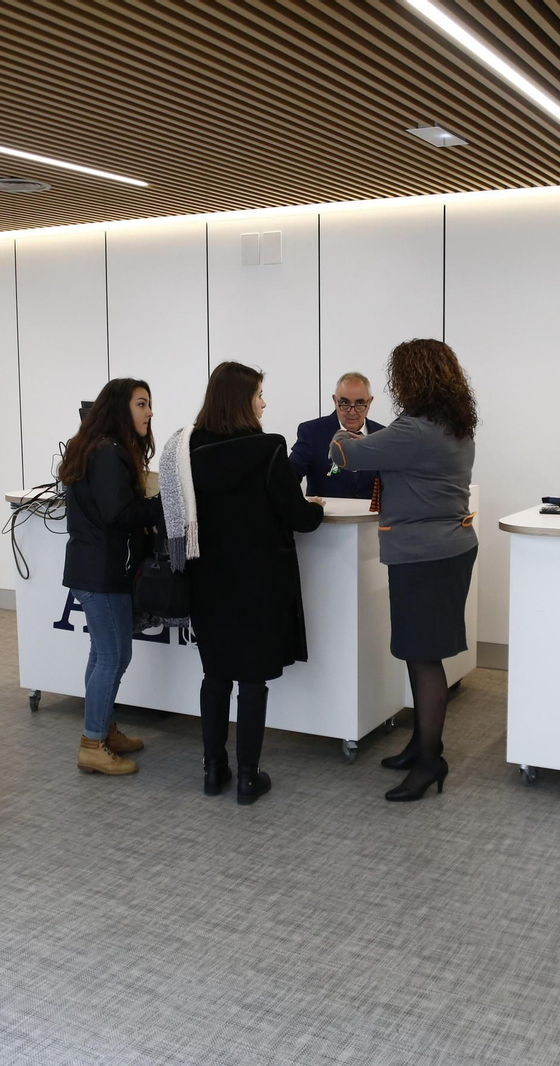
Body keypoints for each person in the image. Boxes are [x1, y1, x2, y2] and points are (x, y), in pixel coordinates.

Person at [330, 339, 477, 802]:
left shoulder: (413, 429)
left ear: (411, 379)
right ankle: (421, 745)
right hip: (446, 548)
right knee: (421, 652)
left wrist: (342, 436)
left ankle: (431, 762)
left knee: (424, 656)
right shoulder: (455, 424)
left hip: (423, 554)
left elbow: (344, 456)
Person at [185, 362, 324, 804]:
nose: (264, 402)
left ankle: (213, 770)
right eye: (260, 394)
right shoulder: (268, 449)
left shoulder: (186, 447)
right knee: (251, 682)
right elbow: (297, 516)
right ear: (242, 400)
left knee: (215, 676)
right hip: (259, 583)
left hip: (206, 580)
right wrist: (315, 506)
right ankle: (247, 778)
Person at [58, 378, 163, 776]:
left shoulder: (97, 446)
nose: (149, 412)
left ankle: (101, 729)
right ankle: (91, 744)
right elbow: (118, 515)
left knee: (104, 654)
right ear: (120, 408)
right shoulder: (108, 453)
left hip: (96, 568)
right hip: (102, 571)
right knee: (114, 656)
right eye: (141, 404)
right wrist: (159, 505)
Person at [288, 371, 384, 499]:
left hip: (372, 518)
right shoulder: (312, 432)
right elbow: (288, 478)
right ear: (335, 400)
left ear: (370, 402)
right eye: (344, 403)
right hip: (327, 518)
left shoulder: (382, 435)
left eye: (360, 403)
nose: (352, 411)